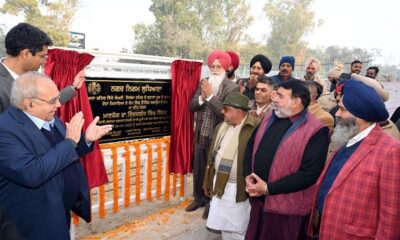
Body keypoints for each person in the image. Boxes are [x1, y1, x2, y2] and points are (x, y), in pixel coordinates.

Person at [0, 72, 112, 240]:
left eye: (58, 97)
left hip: (58, 212)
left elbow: (65, 153)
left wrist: (85, 140)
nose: (59, 104)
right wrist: (69, 142)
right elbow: (32, 172)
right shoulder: (5, 130)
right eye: (53, 101)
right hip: (32, 225)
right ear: (29, 104)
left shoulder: (48, 117)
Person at [308, 80, 400, 239]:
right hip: (325, 229)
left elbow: (391, 215)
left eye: (342, 109)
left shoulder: (390, 150)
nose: (336, 113)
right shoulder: (346, 138)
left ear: (360, 114)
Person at [244, 80, 329, 240]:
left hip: (287, 212)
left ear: (296, 102)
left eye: (280, 96)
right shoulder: (270, 117)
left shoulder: (317, 130)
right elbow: (250, 147)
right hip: (259, 201)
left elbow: (309, 174)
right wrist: (248, 175)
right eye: (275, 94)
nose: (274, 99)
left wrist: (269, 188)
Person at [187, 50, 238, 219]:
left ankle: (211, 203)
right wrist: (201, 98)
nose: (215, 70)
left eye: (218, 66)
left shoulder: (232, 88)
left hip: (218, 138)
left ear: (225, 68)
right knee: (199, 168)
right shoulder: (204, 82)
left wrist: (209, 97)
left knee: (213, 171)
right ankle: (198, 199)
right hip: (201, 134)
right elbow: (192, 106)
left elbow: (225, 113)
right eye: (212, 66)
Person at [203, 92, 260, 239]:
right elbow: (212, 157)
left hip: (239, 188)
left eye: (227, 109)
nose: (223, 112)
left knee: (239, 229)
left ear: (239, 111)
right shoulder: (221, 127)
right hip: (220, 184)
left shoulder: (254, 128)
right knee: (224, 227)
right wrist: (208, 181)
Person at [0, 22, 86, 113]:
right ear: (26, 54)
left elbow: (45, 103)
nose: (45, 61)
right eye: (42, 56)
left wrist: (74, 86)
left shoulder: (32, 77)